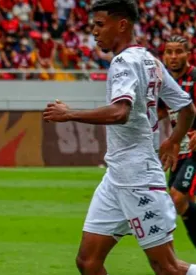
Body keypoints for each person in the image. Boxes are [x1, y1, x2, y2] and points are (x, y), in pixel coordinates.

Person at [43, 0, 196, 274]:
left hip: (138, 178)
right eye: (93, 26)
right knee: (88, 262)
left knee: (168, 268)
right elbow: (187, 108)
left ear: (122, 24)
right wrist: (173, 141)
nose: (94, 32)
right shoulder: (151, 61)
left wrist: (68, 114)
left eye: (100, 25)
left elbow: (120, 112)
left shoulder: (123, 62)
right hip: (116, 177)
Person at [158, 35, 196, 248]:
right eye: (169, 52)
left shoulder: (195, 77)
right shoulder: (166, 83)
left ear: (188, 54)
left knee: (177, 198)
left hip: (194, 151)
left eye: (178, 51)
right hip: (179, 152)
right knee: (184, 205)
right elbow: (161, 111)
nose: (173, 57)